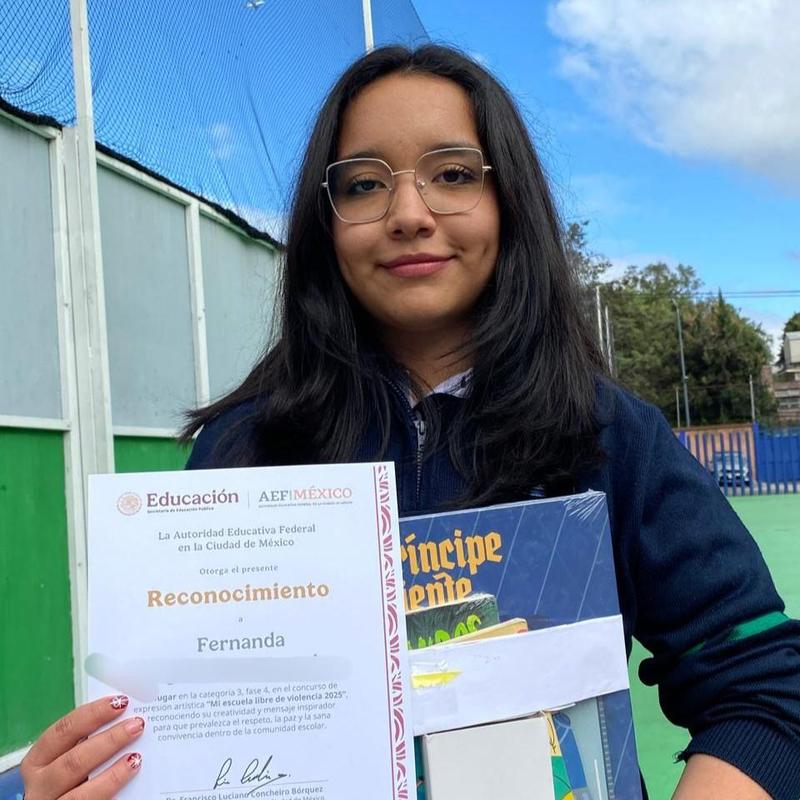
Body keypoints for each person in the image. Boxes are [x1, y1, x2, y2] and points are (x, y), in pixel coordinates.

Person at [21, 44, 800, 800]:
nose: (408, 214)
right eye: (362, 185)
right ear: (326, 223)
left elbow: (767, 693)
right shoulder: (245, 445)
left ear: (509, 201)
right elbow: (175, 727)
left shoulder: (612, 435)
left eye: (453, 175)